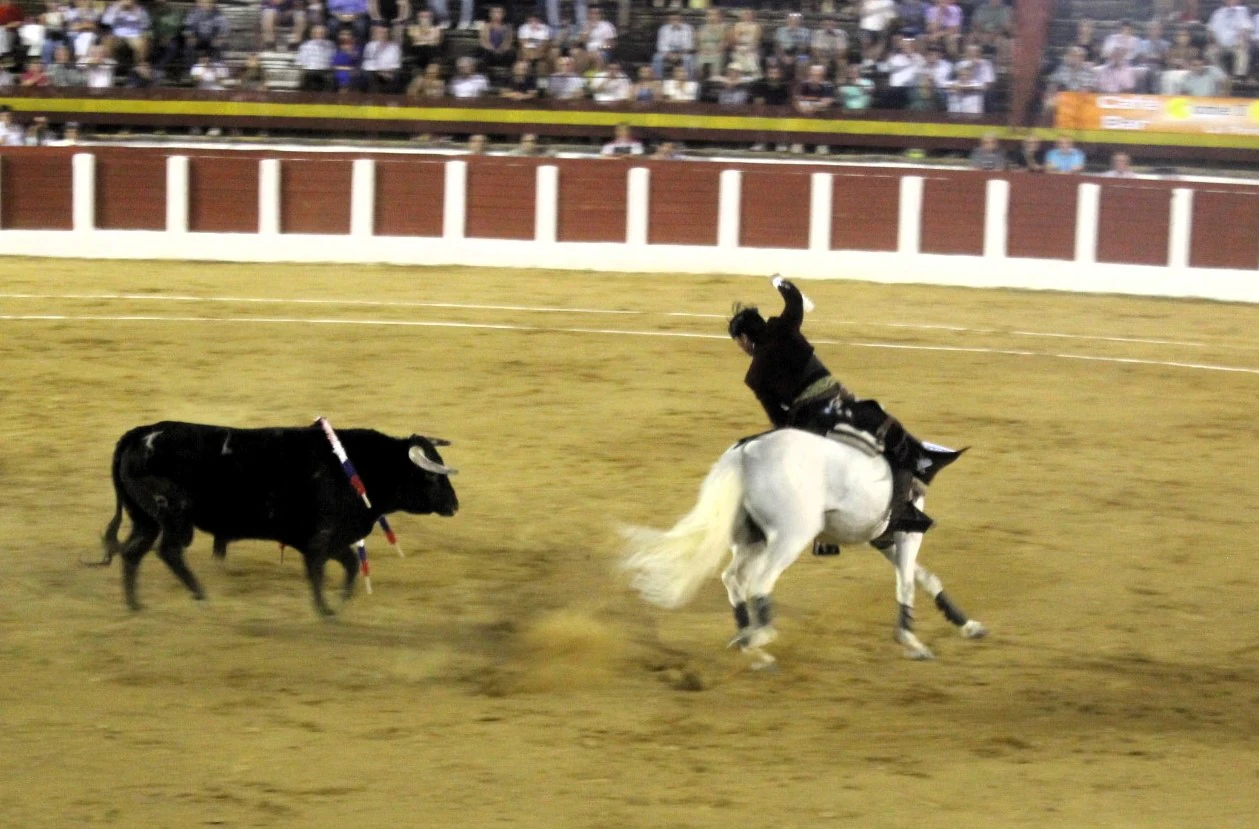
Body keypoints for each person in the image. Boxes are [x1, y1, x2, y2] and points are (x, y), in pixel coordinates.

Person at [728, 275, 962, 552]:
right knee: (885, 427)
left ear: (744, 338)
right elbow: (795, 301)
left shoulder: (754, 376)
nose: (740, 347)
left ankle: (824, 539)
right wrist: (779, 281)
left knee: (810, 477)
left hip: (807, 423)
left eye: (738, 342)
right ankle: (911, 488)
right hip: (838, 404)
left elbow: (778, 419)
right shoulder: (782, 327)